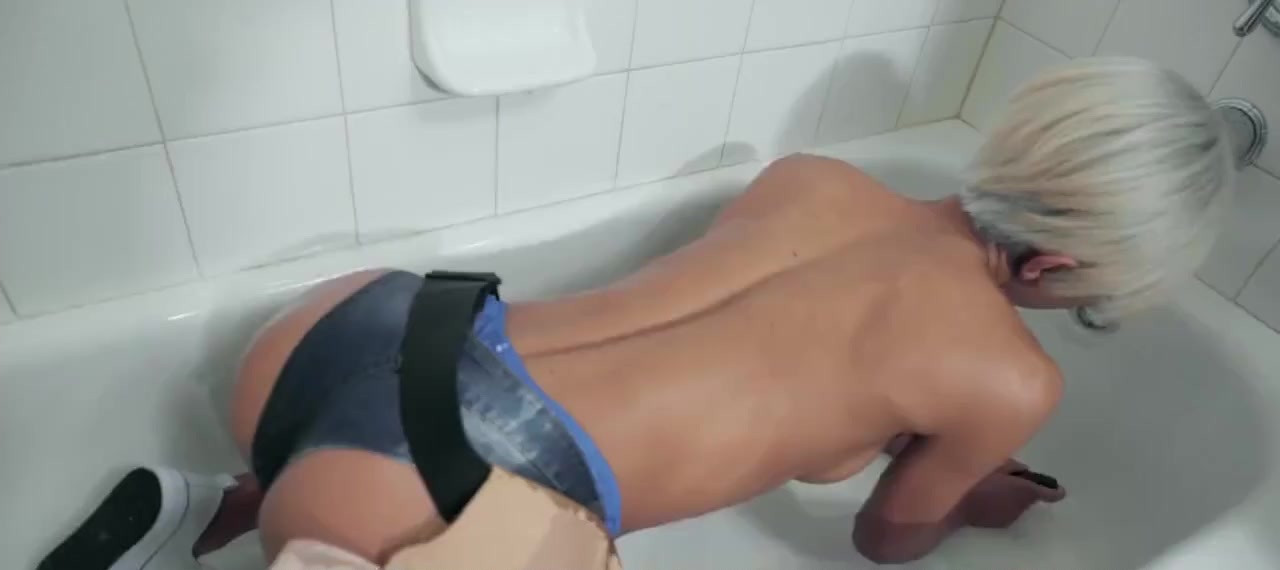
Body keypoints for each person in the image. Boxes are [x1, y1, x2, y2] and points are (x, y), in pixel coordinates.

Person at [37, 57, 1234, 569]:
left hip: (352, 333)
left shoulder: (814, 179)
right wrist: (967, 492)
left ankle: (211, 506)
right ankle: (308, 519)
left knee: (395, 444)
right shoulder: (1009, 382)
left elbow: (759, 354)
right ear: (1057, 266)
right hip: (440, 495)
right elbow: (885, 541)